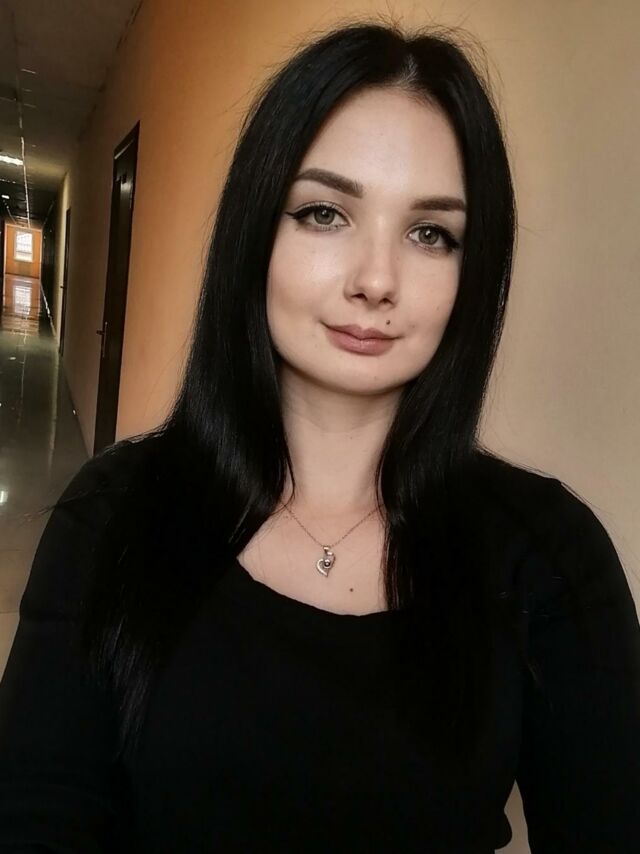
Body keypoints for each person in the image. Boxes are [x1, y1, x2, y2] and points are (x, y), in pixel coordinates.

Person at [0, 19, 638, 854]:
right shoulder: (113, 513)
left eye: (431, 233)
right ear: (255, 232)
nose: (376, 280)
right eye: (324, 213)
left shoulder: (550, 556)